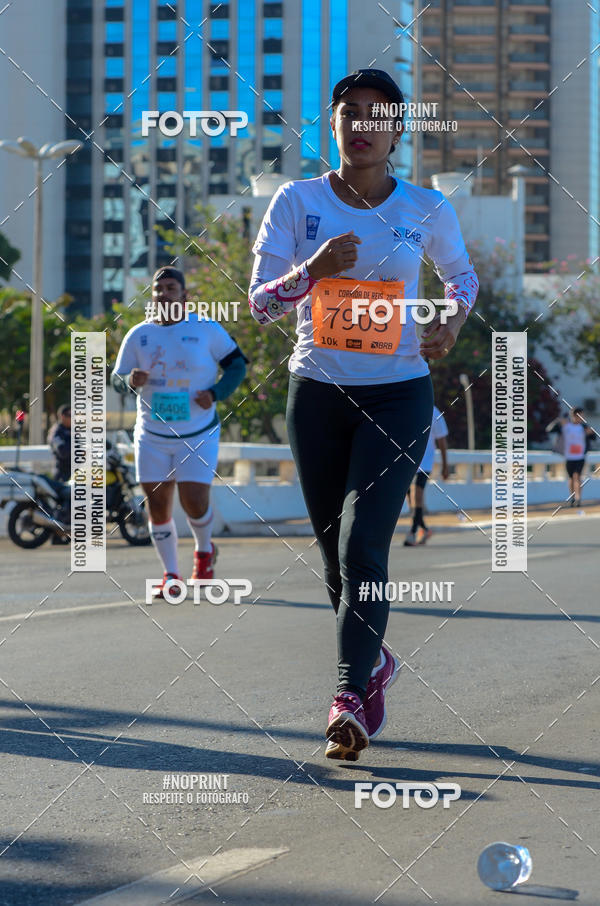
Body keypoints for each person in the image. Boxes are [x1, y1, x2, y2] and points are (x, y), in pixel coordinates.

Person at [248, 68, 478, 761]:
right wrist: (311, 269)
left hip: (398, 393)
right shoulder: (297, 201)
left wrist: (454, 321)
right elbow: (260, 304)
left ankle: (348, 696)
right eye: (350, 112)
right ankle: (375, 664)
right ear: (335, 123)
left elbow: (461, 278)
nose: (363, 125)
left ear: (398, 130)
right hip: (316, 396)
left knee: (362, 547)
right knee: (333, 561)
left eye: (378, 115)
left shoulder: (426, 207)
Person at [111, 266, 247, 595]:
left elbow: (237, 365)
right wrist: (129, 381)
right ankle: (171, 575)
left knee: (194, 502)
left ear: (184, 295)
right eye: (158, 289)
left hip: (198, 433)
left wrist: (216, 393)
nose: (163, 293)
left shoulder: (206, 329)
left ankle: (204, 551)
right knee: (157, 505)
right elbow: (116, 377)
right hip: (152, 436)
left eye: (170, 288)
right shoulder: (139, 334)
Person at [404, 404, 449, 546]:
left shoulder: (434, 413)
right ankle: (424, 528)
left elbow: (442, 441)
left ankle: (412, 533)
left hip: (425, 461)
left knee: (417, 495)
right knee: (411, 499)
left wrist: (445, 466)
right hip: (408, 462)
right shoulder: (408, 408)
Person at [546, 407, 595, 508]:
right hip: (569, 456)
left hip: (580, 456)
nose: (580, 418)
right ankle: (572, 497)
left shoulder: (584, 427)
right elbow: (549, 430)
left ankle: (578, 498)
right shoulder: (565, 426)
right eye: (578, 415)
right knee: (571, 478)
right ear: (573, 416)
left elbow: (593, 438)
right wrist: (557, 421)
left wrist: (591, 433)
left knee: (577, 476)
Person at [47, 404, 72, 482]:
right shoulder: (56, 432)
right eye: (70, 415)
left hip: (76, 472)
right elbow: (63, 452)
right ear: (62, 416)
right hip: (63, 475)